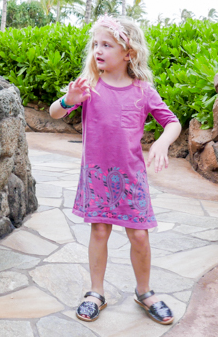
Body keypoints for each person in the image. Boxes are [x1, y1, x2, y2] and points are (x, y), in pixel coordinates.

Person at [49, 16, 182, 326]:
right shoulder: (89, 86)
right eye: (95, 44)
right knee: (99, 231)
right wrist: (69, 99)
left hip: (131, 178)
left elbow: (172, 122)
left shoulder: (143, 91)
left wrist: (162, 144)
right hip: (97, 176)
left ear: (128, 53)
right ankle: (95, 292)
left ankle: (144, 291)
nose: (98, 50)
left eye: (106, 44)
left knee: (139, 235)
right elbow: (55, 113)